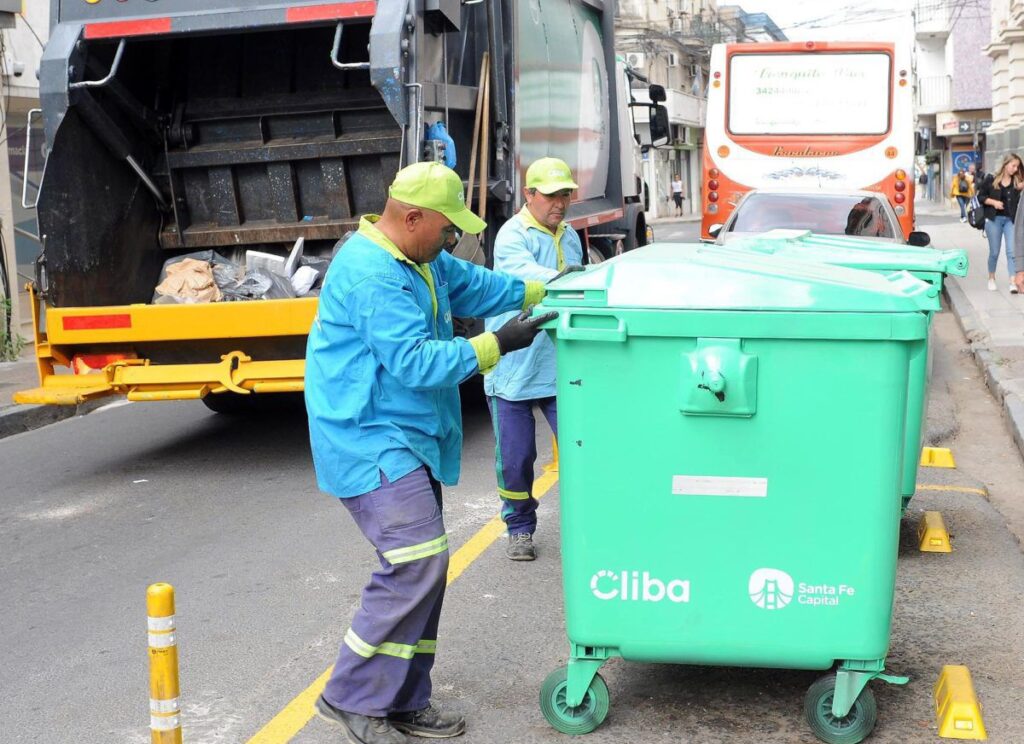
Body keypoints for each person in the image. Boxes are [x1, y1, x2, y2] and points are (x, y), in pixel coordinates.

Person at [305, 161, 560, 744]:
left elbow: (479, 284)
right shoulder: (373, 273)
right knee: (415, 561)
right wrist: (497, 342)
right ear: (412, 216)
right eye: (448, 229)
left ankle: (400, 699)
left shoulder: (422, 259)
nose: (454, 240)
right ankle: (350, 697)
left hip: (406, 435)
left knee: (426, 569)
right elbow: (417, 363)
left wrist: (549, 288)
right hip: (369, 439)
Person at [485, 157, 584, 561]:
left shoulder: (570, 235)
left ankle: (591, 523)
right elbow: (531, 278)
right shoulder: (513, 236)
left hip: (559, 368)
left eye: (565, 195)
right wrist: (579, 278)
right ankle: (520, 528)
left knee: (583, 450)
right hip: (513, 371)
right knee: (517, 459)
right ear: (529, 194)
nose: (559, 203)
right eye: (550, 195)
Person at [977, 153, 1023, 294]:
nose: (1015, 169)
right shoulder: (991, 179)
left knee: (1011, 252)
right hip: (994, 220)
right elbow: (980, 197)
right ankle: (991, 278)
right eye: (1013, 165)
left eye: (1017, 166)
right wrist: (994, 202)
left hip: (1010, 220)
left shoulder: (1017, 181)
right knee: (994, 252)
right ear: (1005, 164)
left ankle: (1012, 281)